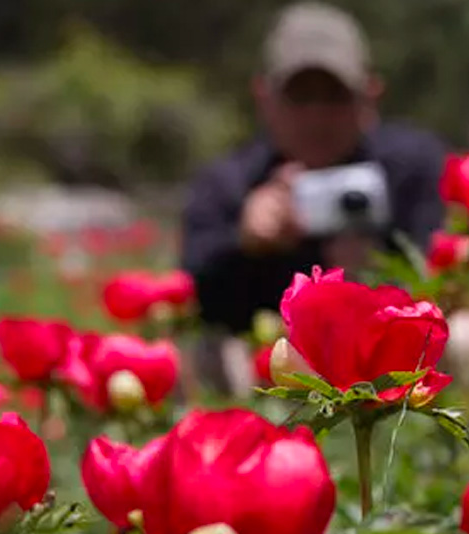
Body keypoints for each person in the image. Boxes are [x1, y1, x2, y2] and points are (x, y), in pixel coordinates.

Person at [179, 1, 448, 395]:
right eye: (299, 96)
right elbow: (193, 300)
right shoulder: (230, 183)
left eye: (335, 96)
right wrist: (245, 243)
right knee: (197, 355)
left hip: (386, 366)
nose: (317, 116)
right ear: (264, 97)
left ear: (370, 95)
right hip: (265, 365)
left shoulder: (411, 166)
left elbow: (443, 278)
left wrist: (376, 271)